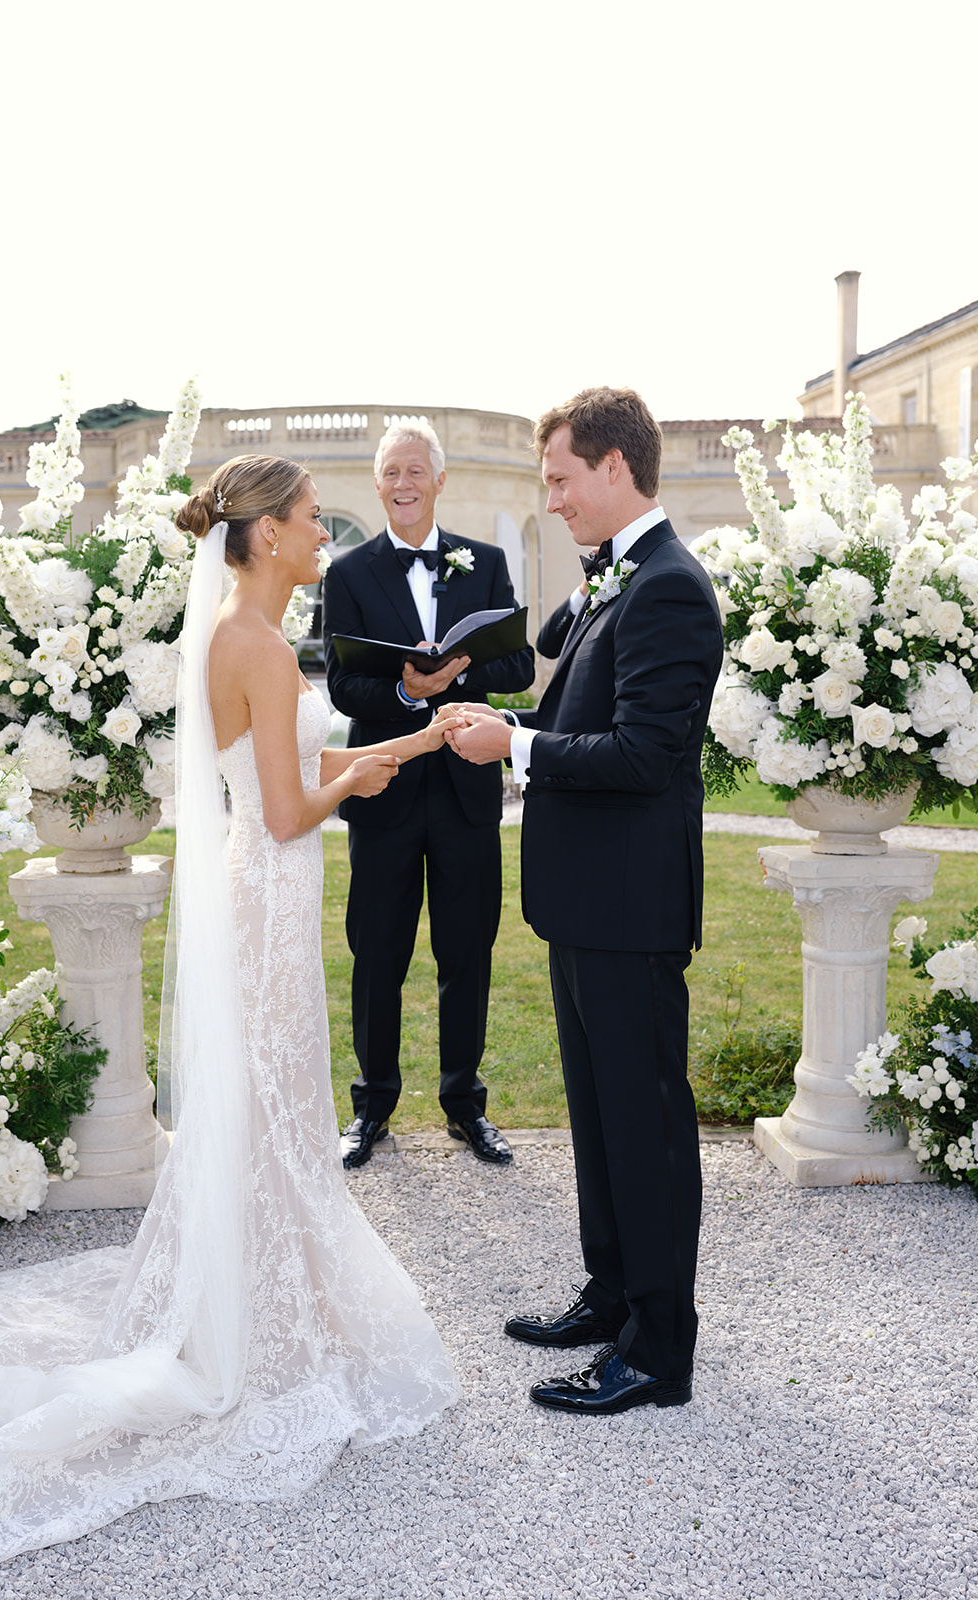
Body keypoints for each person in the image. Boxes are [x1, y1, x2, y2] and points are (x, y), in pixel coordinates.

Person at [0, 456, 459, 1590]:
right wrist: (355, 785)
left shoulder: (235, 632)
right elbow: (290, 809)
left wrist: (401, 750)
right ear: (265, 537)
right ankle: (262, 1314)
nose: (320, 538)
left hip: (260, 886)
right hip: (273, 887)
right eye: (307, 522)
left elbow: (279, 770)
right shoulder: (262, 640)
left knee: (271, 1099)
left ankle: (263, 1296)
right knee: (277, 1098)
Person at [447, 387, 722, 1416]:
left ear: (615, 467)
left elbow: (647, 755)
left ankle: (659, 1346)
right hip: (584, 905)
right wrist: (506, 717)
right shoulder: (618, 579)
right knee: (600, 1118)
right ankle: (612, 1293)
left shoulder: (671, 588)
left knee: (643, 1126)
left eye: (561, 478)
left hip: (631, 908)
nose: (552, 499)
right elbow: (583, 717)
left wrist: (514, 746)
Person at [322, 420, 535, 1169]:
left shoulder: (487, 563)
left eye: (416, 471)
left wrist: (458, 679)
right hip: (381, 788)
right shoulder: (346, 574)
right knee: (376, 951)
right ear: (377, 484)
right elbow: (343, 681)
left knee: (465, 949)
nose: (403, 484)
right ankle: (371, 1106)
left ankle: (464, 1105)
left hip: (466, 792)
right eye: (391, 473)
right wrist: (407, 689)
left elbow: (518, 670)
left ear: (438, 482)